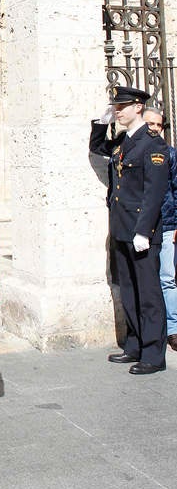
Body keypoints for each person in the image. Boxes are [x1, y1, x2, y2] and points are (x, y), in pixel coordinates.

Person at [89, 86, 169, 374]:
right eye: (116, 107)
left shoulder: (153, 144)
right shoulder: (124, 141)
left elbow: (154, 192)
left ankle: (153, 354)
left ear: (138, 107)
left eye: (122, 107)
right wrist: (100, 122)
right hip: (122, 228)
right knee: (130, 291)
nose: (118, 111)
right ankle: (134, 344)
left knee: (148, 294)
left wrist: (143, 231)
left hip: (141, 232)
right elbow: (98, 148)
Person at [143, 107, 177, 351]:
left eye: (159, 125)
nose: (155, 128)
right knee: (147, 280)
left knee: (167, 278)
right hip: (142, 227)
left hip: (166, 224)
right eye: (150, 124)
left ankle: (173, 329)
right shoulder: (131, 151)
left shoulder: (170, 154)